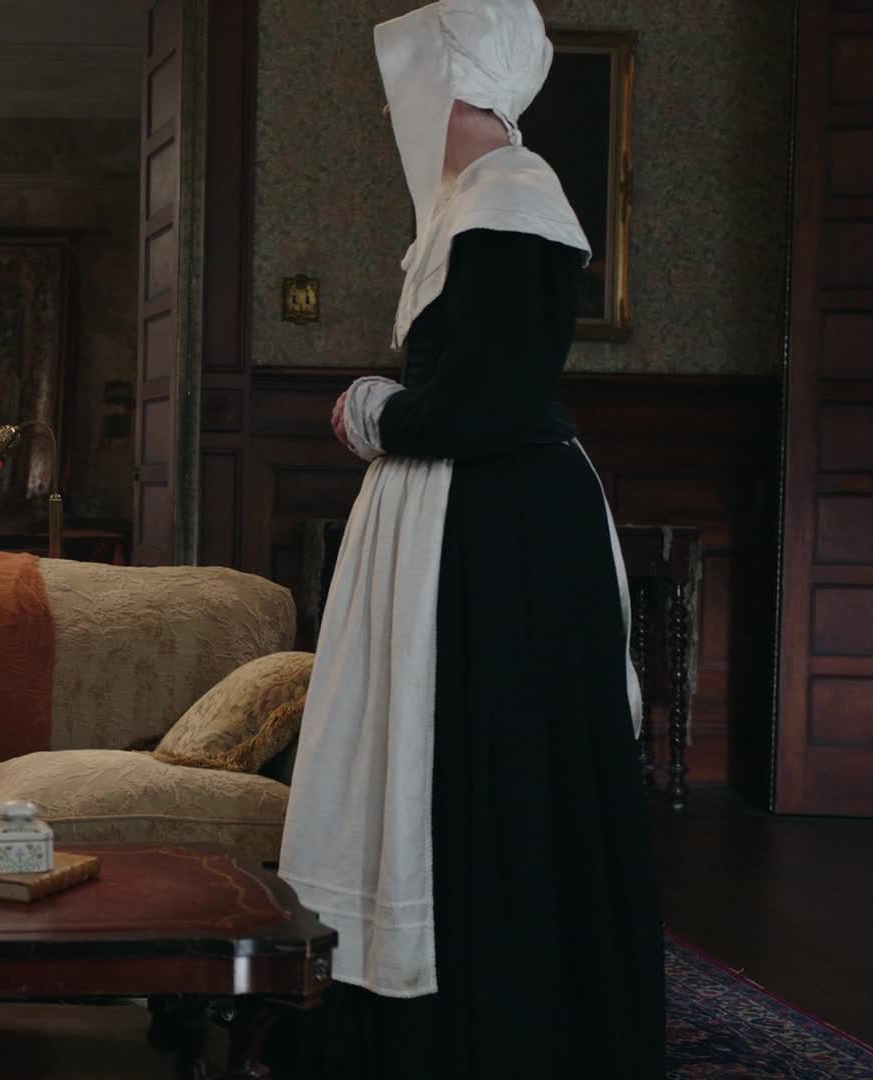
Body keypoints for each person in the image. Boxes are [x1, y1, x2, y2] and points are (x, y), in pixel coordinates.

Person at [275, 1, 663, 1076]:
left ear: (456, 82)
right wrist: (394, 413)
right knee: (441, 764)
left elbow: (492, 406)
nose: (391, 110)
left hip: (500, 542)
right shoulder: (483, 201)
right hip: (478, 524)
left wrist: (376, 412)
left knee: (487, 767)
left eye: (406, 82)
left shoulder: (509, 198)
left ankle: (489, 1033)